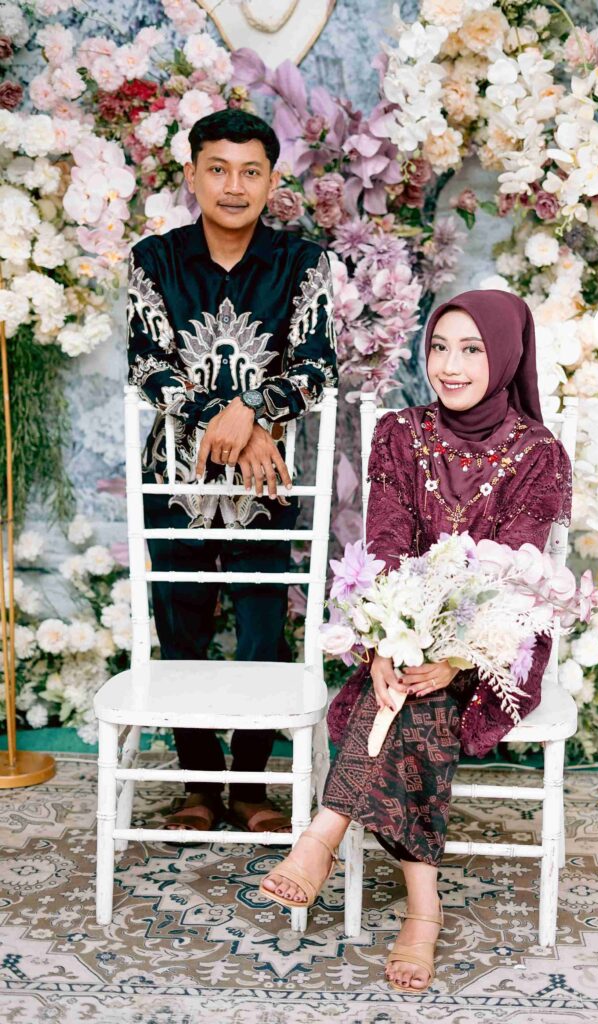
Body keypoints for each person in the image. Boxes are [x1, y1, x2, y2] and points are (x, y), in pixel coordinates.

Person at [258, 290, 572, 992]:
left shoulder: (538, 453)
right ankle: (423, 911)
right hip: (402, 625)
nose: (450, 366)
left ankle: (323, 836)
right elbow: (386, 542)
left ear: (507, 356)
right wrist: (383, 640)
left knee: (421, 694)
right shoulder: (400, 432)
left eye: (472, 350)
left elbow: (513, 576)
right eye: (439, 347)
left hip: (495, 641)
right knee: (408, 690)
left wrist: (455, 656)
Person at [125, 109, 337, 836]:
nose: (234, 186)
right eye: (218, 169)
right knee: (180, 628)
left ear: (273, 181)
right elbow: (147, 367)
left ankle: (249, 787)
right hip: (175, 480)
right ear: (192, 175)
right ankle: (198, 786)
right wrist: (233, 421)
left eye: (251, 172)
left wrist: (250, 410)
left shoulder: (303, 263)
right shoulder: (154, 259)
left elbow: (317, 367)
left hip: (265, 486)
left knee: (261, 634)